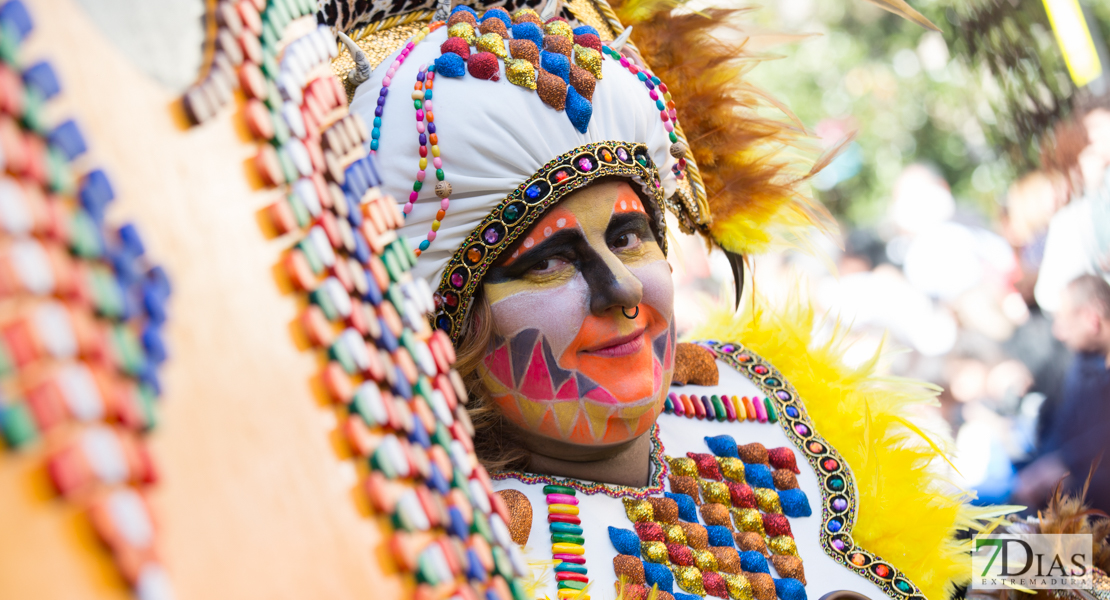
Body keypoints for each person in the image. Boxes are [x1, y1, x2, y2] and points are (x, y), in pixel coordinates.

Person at [344, 2, 998, 599]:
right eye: (545, 262)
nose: (621, 289)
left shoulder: (770, 400)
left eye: (628, 237)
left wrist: (1068, 567)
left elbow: (970, 560)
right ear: (451, 335)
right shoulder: (450, 550)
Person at [1014, 274, 1110, 513]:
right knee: (981, 542)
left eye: (1063, 320)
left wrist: (1067, 464)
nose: (1058, 332)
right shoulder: (1084, 364)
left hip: (1094, 527)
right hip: (1065, 513)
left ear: (1092, 317)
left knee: (996, 549)